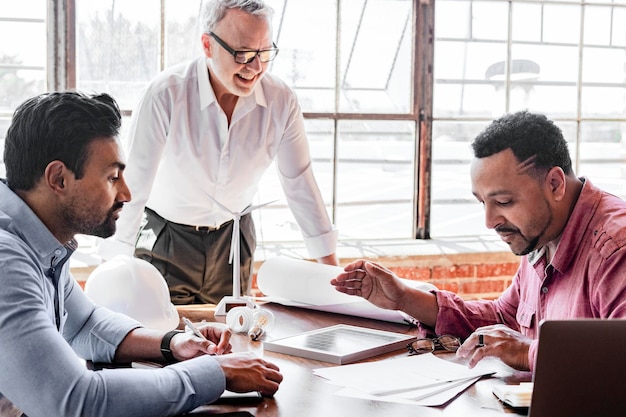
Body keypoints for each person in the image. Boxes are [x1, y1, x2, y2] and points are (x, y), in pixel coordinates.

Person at [0, 91, 282, 417]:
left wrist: (173, 343)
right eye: (111, 177)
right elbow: (76, 401)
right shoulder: (7, 263)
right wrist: (218, 373)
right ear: (58, 178)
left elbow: (82, 324)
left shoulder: (36, 241)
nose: (126, 193)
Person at [331, 110, 626, 372]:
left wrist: (526, 352)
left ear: (555, 184)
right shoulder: (542, 233)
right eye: (482, 202)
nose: (490, 221)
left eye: (505, 201)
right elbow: (504, 318)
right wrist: (405, 298)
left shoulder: (616, 246)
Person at [97, 0, 338, 305]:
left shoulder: (281, 101)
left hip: (234, 239)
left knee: (231, 339)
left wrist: (335, 281)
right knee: (164, 340)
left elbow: (300, 183)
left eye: (264, 54)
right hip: (167, 238)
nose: (256, 68)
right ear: (207, 45)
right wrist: (110, 276)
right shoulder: (166, 94)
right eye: (243, 54)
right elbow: (134, 187)